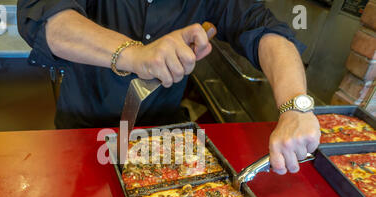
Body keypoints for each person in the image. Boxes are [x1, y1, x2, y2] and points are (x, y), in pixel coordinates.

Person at [17, 0, 321, 175]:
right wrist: (135, 54)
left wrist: (296, 106)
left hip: (165, 137)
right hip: (82, 130)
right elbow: (49, 21)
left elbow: (267, 31)